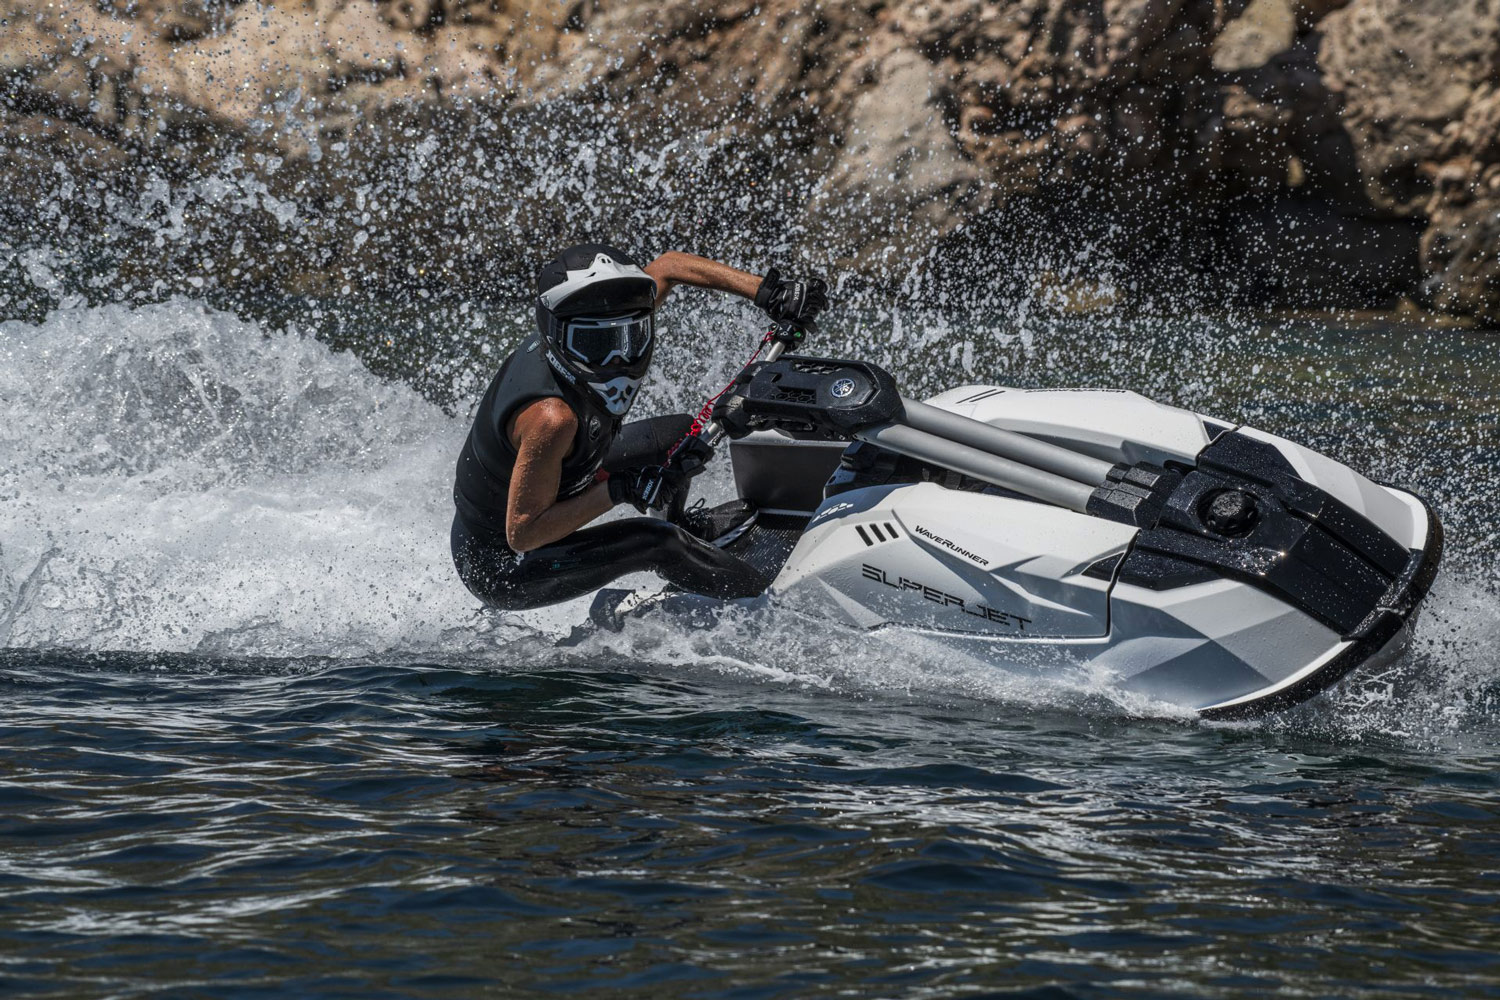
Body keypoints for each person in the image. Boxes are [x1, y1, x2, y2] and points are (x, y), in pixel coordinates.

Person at [451, 244, 828, 611]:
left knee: (678, 433)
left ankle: (690, 540)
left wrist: (768, 292)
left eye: (631, 336)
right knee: (655, 541)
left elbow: (670, 266)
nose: (618, 357)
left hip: (562, 484)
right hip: (504, 567)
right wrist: (622, 488)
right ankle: (769, 610)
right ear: (557, 337)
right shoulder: (552, 419)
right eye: (595, 342)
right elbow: (523, 534)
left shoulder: (607, 322)